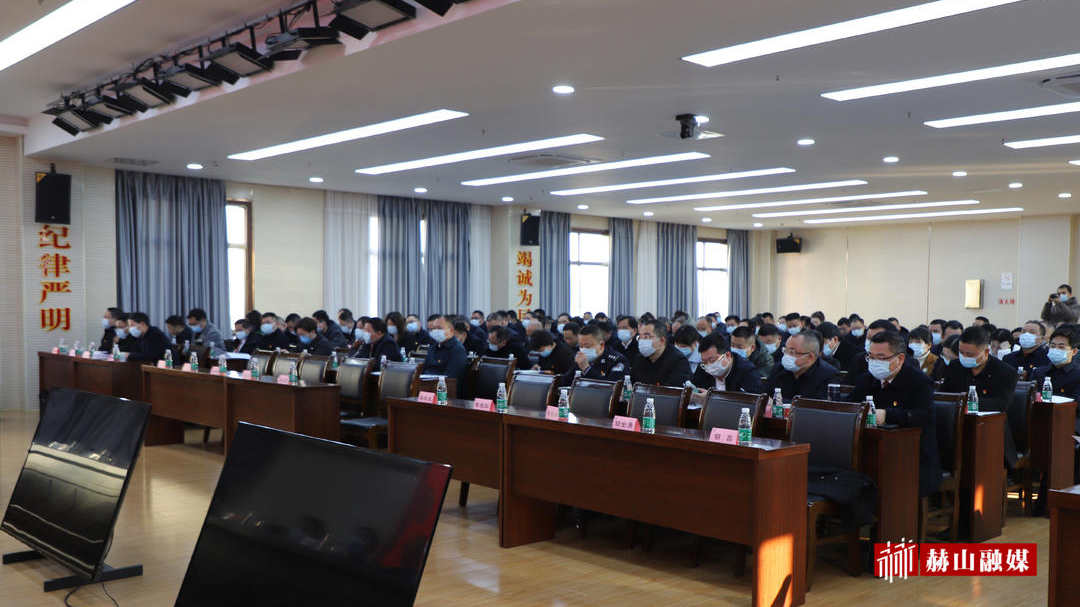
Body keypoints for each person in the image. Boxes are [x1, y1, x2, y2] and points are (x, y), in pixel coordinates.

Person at [847, 331, 940, 497]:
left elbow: (924, 416)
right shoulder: (865, 380)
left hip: (912, 457)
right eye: (871, 357)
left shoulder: (919, 382)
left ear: (900, 358)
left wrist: (887, 415)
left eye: (881, 358)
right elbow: (850, 406)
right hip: (871, 453)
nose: (875, 362)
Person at [941, 326, 1018, 412]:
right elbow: (944, 395)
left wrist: (966, 405)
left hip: (988, 418)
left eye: (969, 354)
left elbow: (1001, 404)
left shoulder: (1006, 372)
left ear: (986, 352)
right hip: (956, 416)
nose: (964, 357)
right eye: (961, 352)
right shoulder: (954, 366)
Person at [765, 330, 838, 400]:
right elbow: (765, 397)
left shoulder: (828, 375)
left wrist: (780, 402)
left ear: (810, 357)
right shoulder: (778, 369)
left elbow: (818, 405)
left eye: (792, 352)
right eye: (785, 350)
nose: (787, 355)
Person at [690, 333, 763, 393]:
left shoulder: (747, 371)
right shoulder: (702, 368)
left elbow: (747, 402)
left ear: (727, 356)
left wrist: (709, 399)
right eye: (705, 362)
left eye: (712, 360)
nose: (708, 365)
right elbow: (694, 390)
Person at [559, 324, 629, 386]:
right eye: (581, 346)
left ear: (601, 345)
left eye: (587, 346)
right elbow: (565, 380)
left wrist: (587, 369)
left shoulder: (617, 360)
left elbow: (612, 387)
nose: (583, 349)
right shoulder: (582, 359)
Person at [1030, 326, 1080, 412]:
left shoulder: (1077, 374)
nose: (1056, 350)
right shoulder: (1039, 372)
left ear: (1074, 351)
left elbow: (1077, 404)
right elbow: (1030, 398)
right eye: (1052, 346)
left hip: (1070, 416)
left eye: (1061, 347)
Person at [631, 319, 692, 387]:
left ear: (662, 340)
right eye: (640, 337)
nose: (642, 341)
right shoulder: (639, 359)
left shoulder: (678, 361)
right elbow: (632, 385)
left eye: (646, 337)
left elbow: (674, 390)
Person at [423, 315, 468, 382]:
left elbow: (451, 377)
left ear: (451, 330)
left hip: (443, 386)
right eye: (434, 328)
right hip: (426, 384)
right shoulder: (433, 347)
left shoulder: (457, 350)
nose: (435, 331)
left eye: (439, 328)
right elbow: (424, 369)